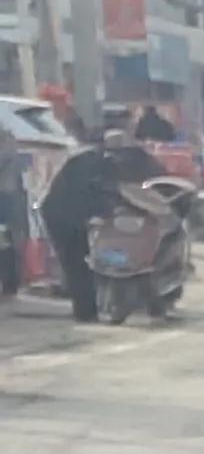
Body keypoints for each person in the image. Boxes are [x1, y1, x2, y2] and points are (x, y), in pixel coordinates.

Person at [39, 135, 138, 323]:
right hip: (61, 215)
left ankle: (86, 309)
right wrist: (105, 211)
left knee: (79, 264)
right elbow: (96, 193)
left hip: (68, 212)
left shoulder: (94, 160)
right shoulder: (95, 164)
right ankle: (85, 312)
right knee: (77, 264)